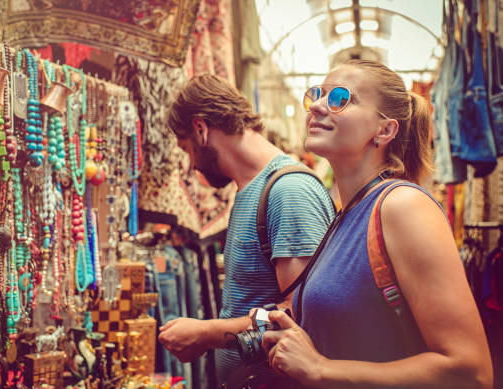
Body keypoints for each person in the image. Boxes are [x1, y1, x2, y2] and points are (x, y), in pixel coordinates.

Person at [262, 59, 493, 389]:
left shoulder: (402, 206)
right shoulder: (348, 212)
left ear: (385, 130)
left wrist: (321, 369)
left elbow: (470, 372)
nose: (318, 106)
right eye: (317, 94)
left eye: (341, 97)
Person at [158, 74, 335, 386]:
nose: (191, 165)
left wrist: (204, 334)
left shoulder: (288, 191)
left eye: (185, 149)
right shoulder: (251, 189)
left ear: (200, 129)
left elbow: (297, 317)